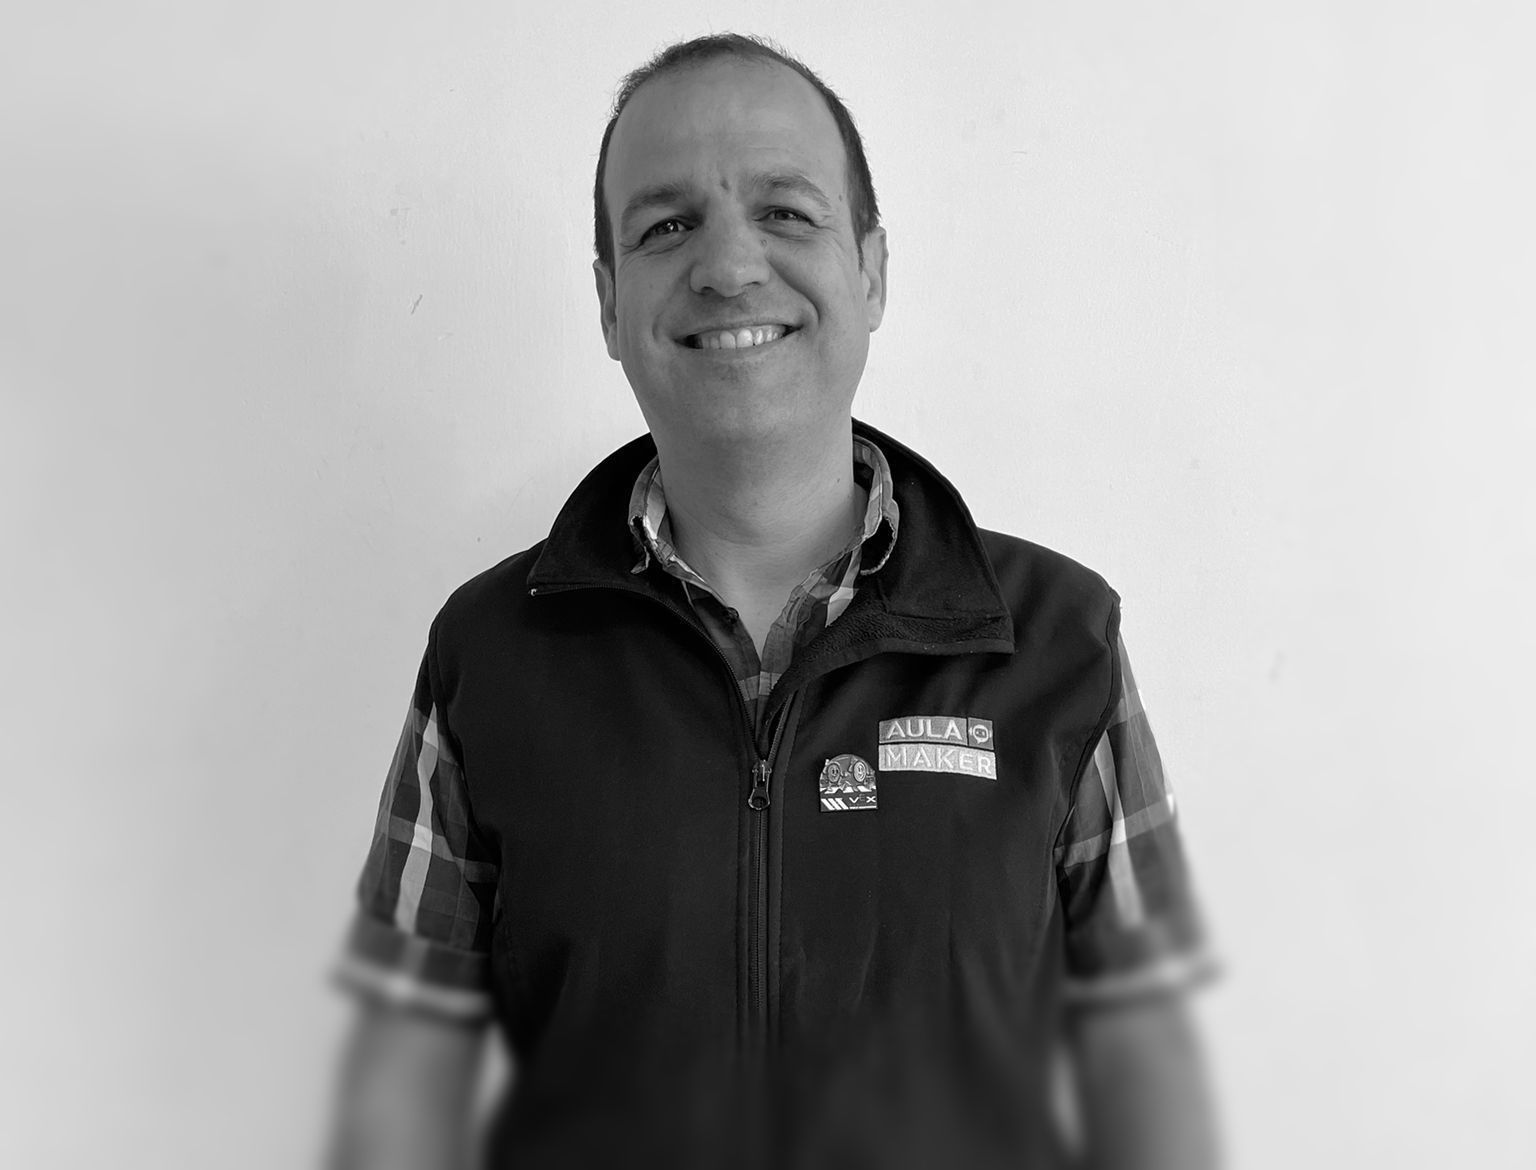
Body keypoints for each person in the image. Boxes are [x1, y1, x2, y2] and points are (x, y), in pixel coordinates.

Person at [327, 33, 1219, 1170]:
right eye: (666, 227)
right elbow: (405, 1067)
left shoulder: (1058, 640)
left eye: (786, 213)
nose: (730, 265)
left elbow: (1146, 1056)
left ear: (872, 271)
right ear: (608, 303)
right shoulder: (490, 653)